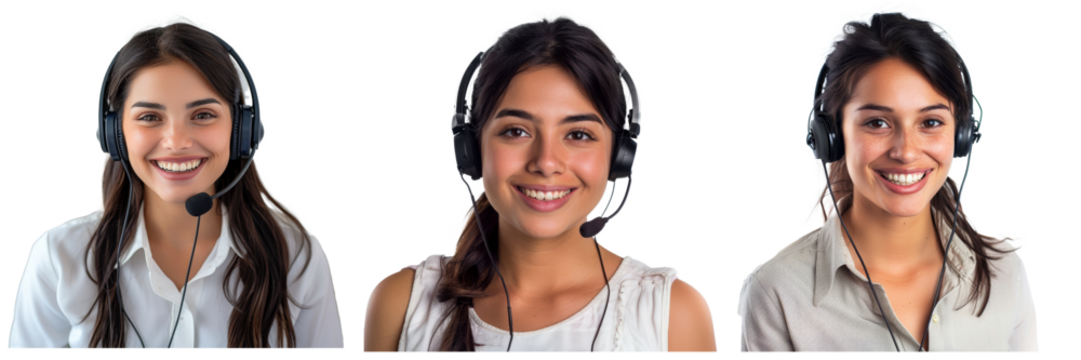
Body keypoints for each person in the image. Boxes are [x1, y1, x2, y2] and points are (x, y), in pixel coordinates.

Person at [362, 8, 717, 353]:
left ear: (618, 156)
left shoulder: (672, 314)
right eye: (516, 131)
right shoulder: (402, 303)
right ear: (471, 149)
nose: (546, 162)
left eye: (578, 134)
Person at [8, 12, 345, 350]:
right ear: (116, 135)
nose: (176, 141)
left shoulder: (295, 256)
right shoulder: (59, 258)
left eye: (203, 115)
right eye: (150, 117)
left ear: (242, 131)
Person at [736, 4, 1039, 353]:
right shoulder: (779, 293)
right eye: (877, 122)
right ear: (831, 136)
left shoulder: (1004, 273)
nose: (906, 151)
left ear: (962, 135)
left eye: (930, 122)